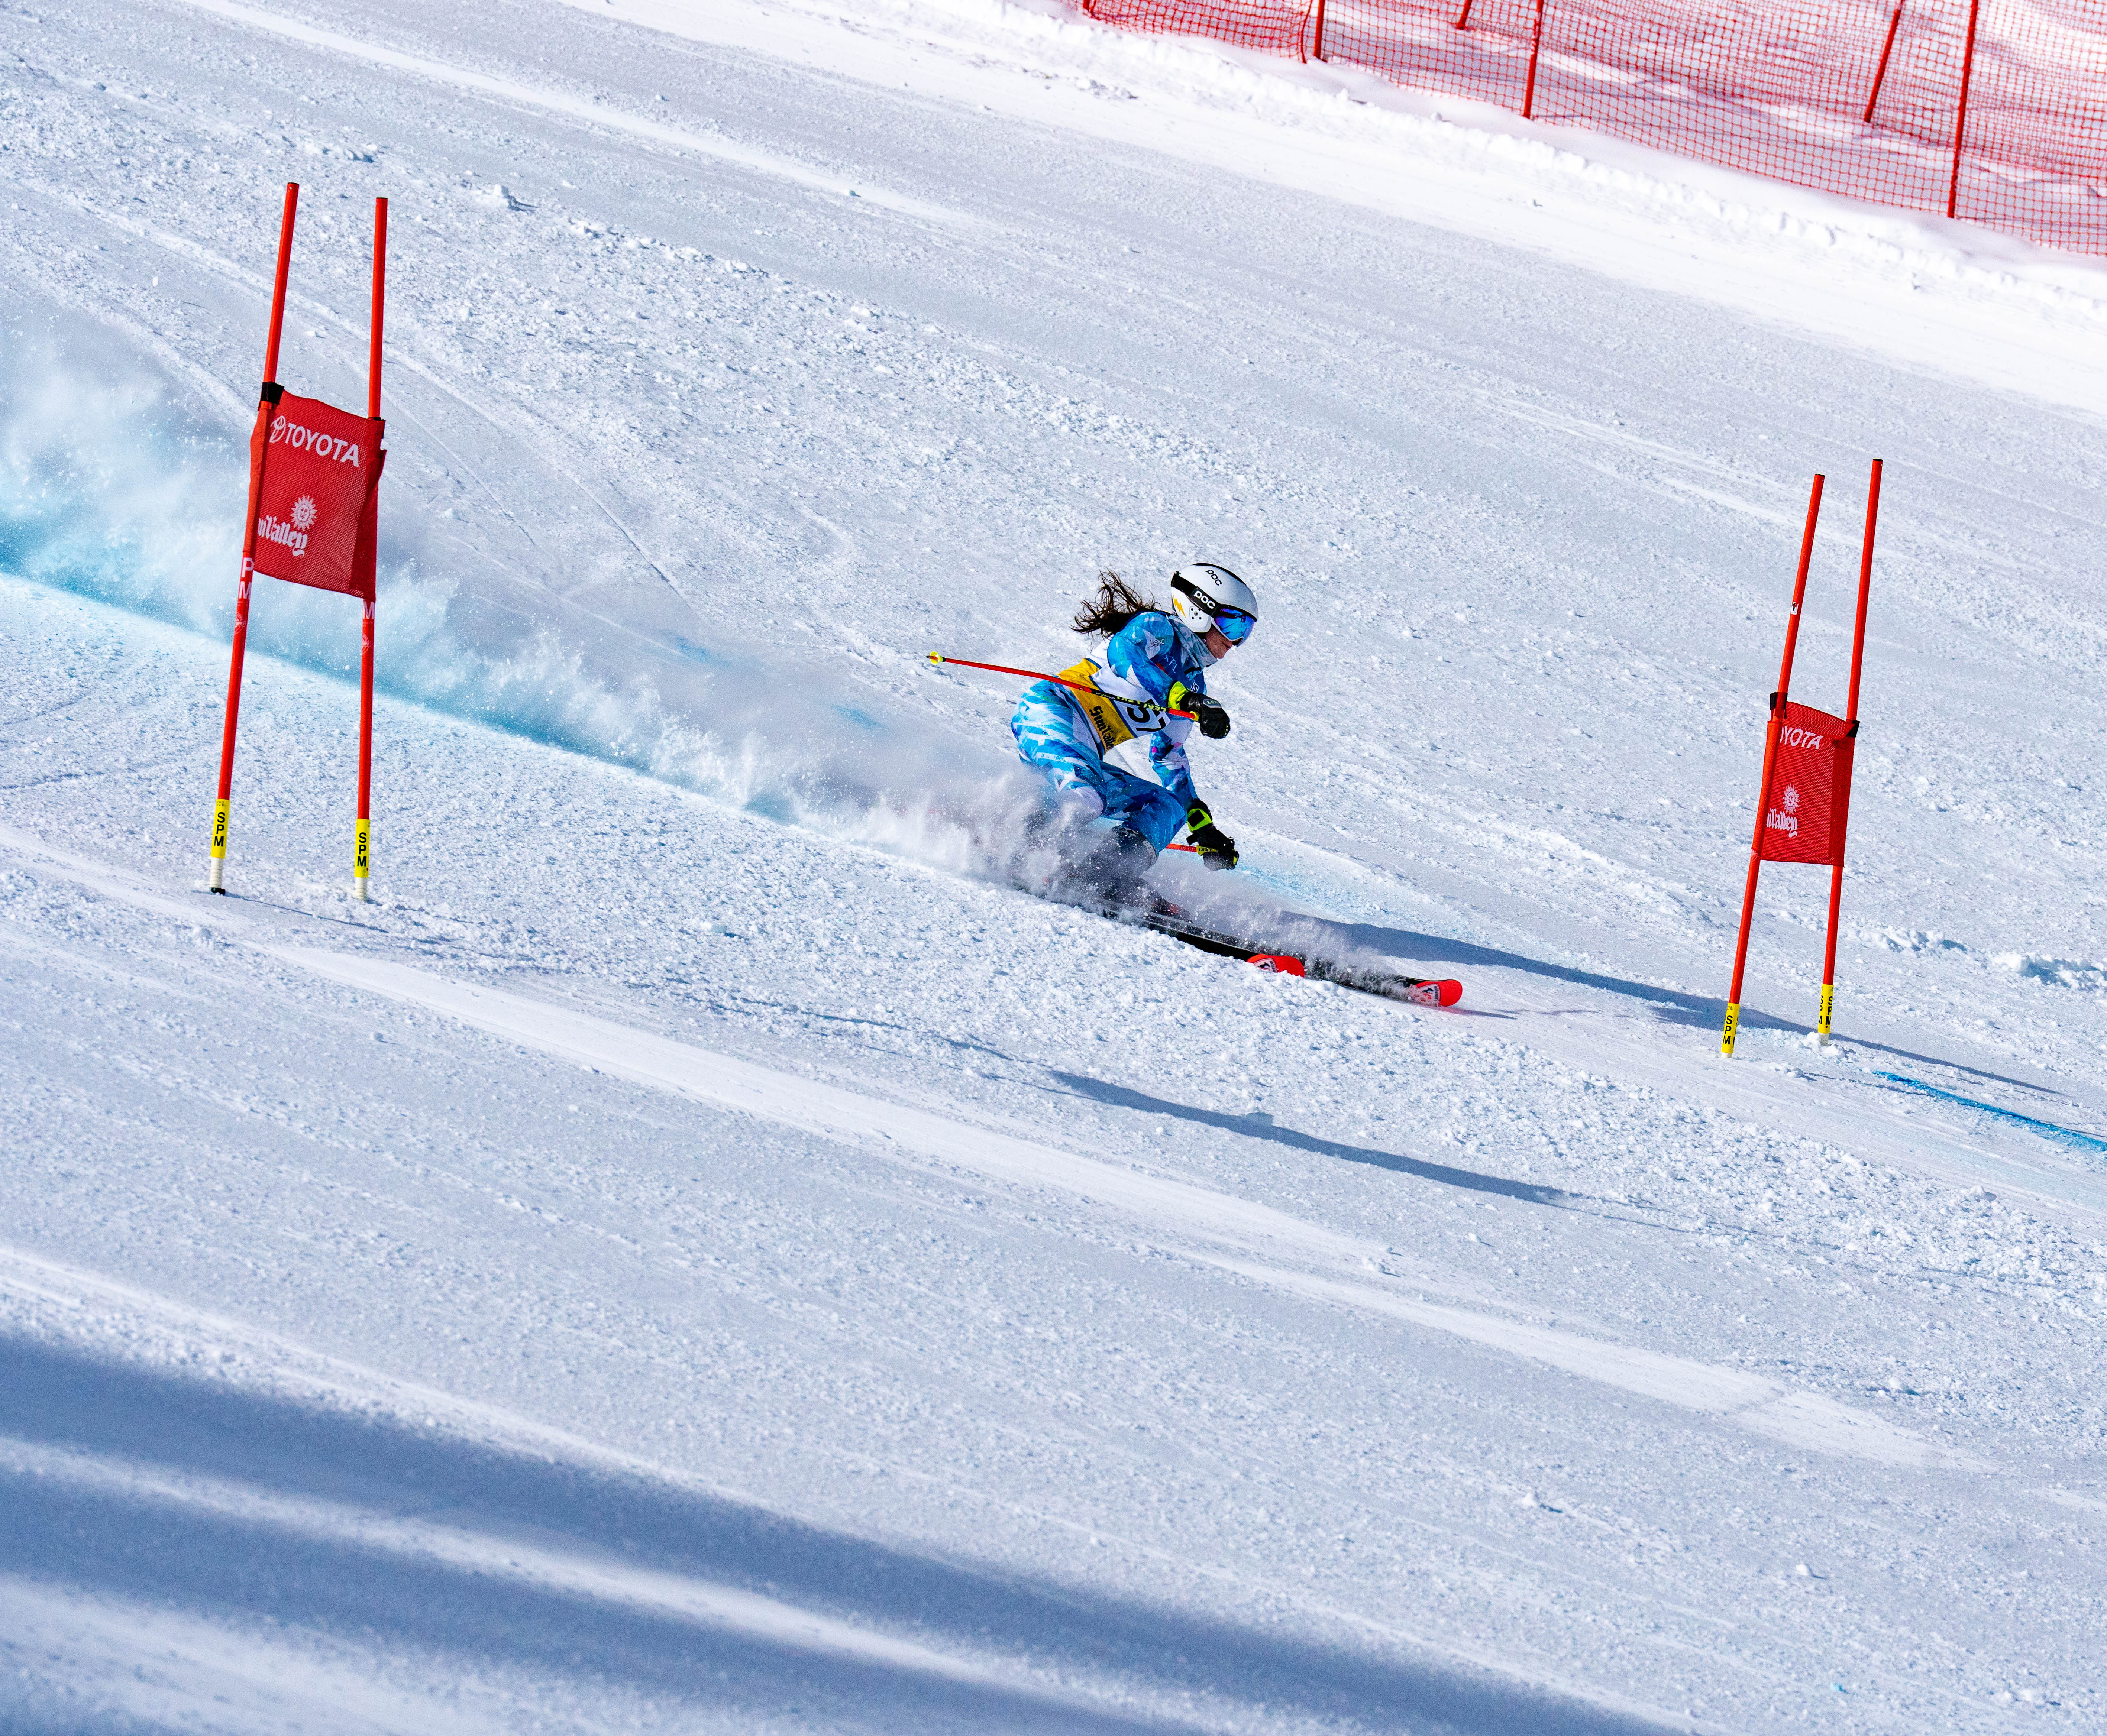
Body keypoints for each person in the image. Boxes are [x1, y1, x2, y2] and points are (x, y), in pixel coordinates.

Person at [1011, 561, 1258, 903]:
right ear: (1199, 611)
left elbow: (1168, 756)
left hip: (1085, 750)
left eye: (1246, 630)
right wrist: (1180, 697)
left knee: (1167, 807)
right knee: (1087, 799)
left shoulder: (1193, 684)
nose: (1236, 640)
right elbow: (1125, 654)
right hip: (1051, 711)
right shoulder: (1158, 629)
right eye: (1232, 623)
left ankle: (1101, 874)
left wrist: (1203, 828)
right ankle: (1016, 842)